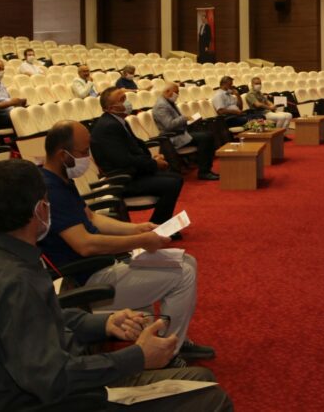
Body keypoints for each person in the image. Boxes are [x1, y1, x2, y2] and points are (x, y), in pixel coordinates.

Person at [0, 159, 232, 412]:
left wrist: (103, 323)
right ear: (40, 209)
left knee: (202, 380)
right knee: (212, 397)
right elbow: (52, 379)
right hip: (61, 400)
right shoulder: (13, 282)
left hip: (66, 380)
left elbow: (45, 315)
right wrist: (136, 357)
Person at [39, 121, 216, 363]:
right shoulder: (51, 190)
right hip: (87, 279)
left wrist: (136, 228)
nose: (89, 158)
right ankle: (167, 353)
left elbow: (93, 218)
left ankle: (168, 340)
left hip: (102, 265)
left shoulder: (61, 179)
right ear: (63, 155)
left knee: (188, 260)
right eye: (83, 152)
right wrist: (139, 240)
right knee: (182, 274)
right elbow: (85, 245)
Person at [90, 88, 183, 224]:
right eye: (122, 99)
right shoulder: (108, 126)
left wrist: (152, 160)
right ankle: (158, 225)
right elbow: (123, 160)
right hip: (121, 179)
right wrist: (153, 164)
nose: (127, 101)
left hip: (131, 172)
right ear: (111, 108)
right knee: (173, 183)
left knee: (175, 178)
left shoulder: (118, 121)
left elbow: (136, 146)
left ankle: (159, 224)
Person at [151, 83, 219, 180]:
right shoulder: (161, 106)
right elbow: (169, 125)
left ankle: (205, 169)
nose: (177, 94)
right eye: (176, 92)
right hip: (173, 138)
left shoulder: (168, 102)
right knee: (206, 137)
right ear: (167, 91)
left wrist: (190, 120)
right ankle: (204, 172)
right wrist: (184, 118)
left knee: (207, 134)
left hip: (181, 133)